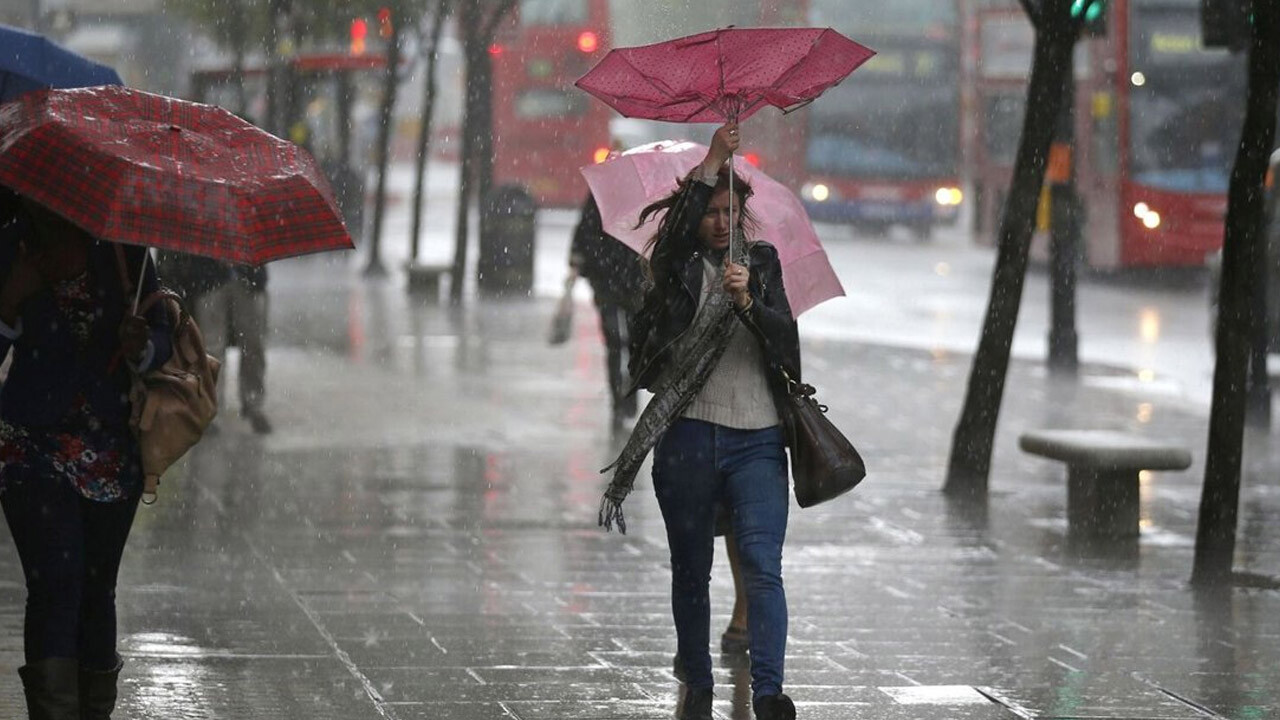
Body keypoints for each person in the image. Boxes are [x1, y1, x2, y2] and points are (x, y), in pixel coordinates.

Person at [625, 123, 801, 720]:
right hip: (689, 435)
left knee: (761, 564)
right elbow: (673, 238)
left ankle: (772, 692)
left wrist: (751, 303)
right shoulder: (675, 268)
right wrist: (712, 161)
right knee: (692, 566)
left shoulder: (765, 266)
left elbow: (789, 348)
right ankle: (696, 680)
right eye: (712, 212)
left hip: (758, 439)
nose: (722, 222)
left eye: (731, 211)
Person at [0, 190, 173, 720]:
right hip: (30, 444)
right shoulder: (11, 243)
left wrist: (140, 343)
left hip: (110, 447)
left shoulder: (122, 247)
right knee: (56, 582)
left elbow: (164, 325)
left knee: (97, 591)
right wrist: (11, 299)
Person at [158, 254, 272, 434]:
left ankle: (253, 404)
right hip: (209, 278)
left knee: (253, 344)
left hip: (248, 276)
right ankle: (213, 410)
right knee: (212, 348)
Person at [567, 193, 647, 428]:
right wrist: (583, 261)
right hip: (607, 282)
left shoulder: (646, 199)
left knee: (634, 342)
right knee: (614, 340)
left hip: (635, 283)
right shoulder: (599, 197)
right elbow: (584, 232)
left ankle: (630, 392)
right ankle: (617, 401)